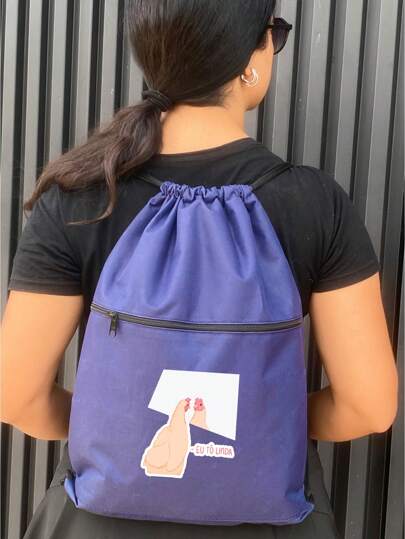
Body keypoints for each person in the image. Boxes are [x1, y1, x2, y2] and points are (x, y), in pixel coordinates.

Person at [1, 1, 398, 538]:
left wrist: (127, 429)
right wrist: (253, 425)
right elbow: (368, 407)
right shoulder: (315, 204)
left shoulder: (79, 199)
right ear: (251, 59)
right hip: (268, 518)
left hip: (98, 517)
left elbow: (16, 394)